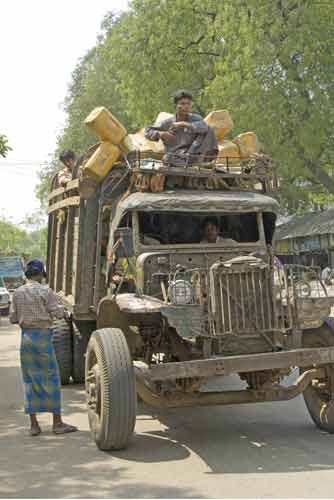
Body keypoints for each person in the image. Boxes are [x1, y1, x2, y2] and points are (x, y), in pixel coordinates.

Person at [9, 260, 78, 436]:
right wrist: (63, 312)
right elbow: (56, 312)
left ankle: (34, 425)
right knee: (52, 379)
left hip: (26, 339)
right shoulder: (45, 291)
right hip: (43, 339)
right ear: (40, 274)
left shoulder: (16, 293)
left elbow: (13, 318)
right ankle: (57, 423)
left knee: (30, 380)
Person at [144, 89, 218, 167]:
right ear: (176, 106)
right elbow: (147, 130)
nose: (186, 107)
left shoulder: (196, 118)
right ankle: (194, 165)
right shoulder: (167, 122)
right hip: (177, 156)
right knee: (167, 158)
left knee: (209, 129)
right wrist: (161, 134)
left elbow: (205, 127)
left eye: (188, 104)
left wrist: (183, 124)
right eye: (182, 104)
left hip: (193, 155)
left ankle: (199, 163)